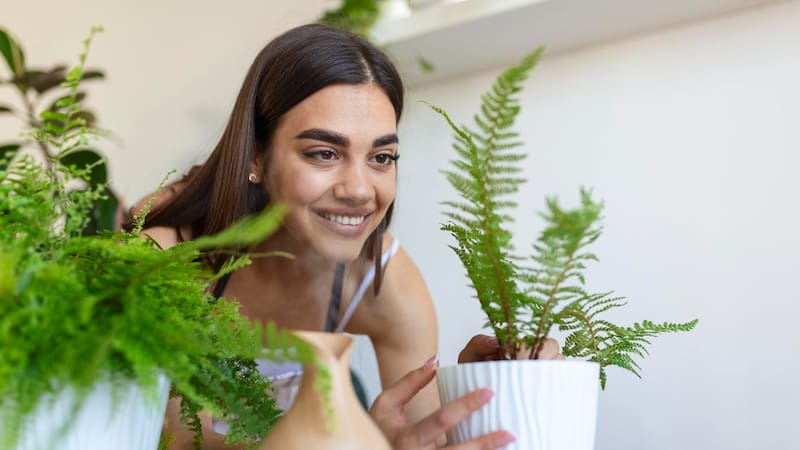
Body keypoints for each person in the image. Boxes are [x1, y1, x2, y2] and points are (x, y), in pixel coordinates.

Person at [136, 23, 559, 449]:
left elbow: (426, 438)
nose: (359, 190)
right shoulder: (164, 257)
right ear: (256, 157)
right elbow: (175, 438)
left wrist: (488, 384)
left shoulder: (383, 280)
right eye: (324, 153)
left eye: (381, 157)